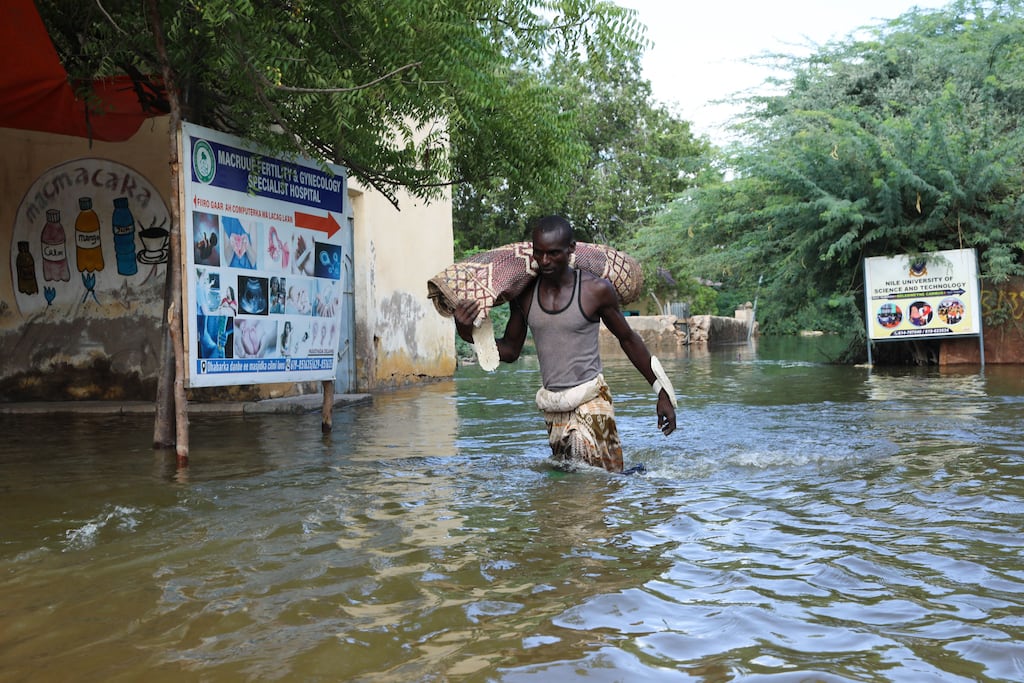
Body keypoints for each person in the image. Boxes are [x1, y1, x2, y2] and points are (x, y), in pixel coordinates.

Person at [453, 215, 677, 473]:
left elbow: (627, 339)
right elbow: (511, 350)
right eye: (539, 254)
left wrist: (662, 391)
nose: (545, 261)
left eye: (553, 253)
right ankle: (633, 474)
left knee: (595, 483)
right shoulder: (524, 294)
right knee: (570, 483)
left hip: (592, 401)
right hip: (553, 408)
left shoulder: (596, 290)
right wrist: (466, 329)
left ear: (571, 249)